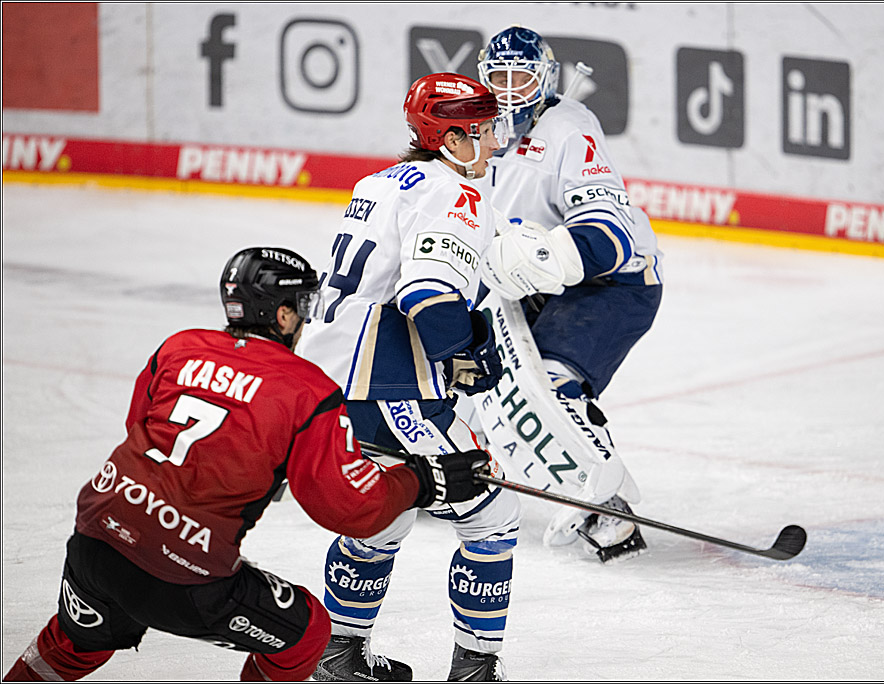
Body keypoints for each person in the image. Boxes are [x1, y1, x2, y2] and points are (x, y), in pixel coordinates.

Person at [2, 247, 492, 683]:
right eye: (301, 308)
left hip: (96, 538)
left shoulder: (177, 347)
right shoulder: (307, 388)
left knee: (74, 645)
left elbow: (141, 429)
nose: (304, 322)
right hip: (184, 574)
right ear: (280, 315)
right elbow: (349, 509)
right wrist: (422, 481)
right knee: (308, 634)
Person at [294, 73, 517, 682]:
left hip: (328, 384)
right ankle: (474, 671)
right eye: (484, 131)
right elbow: (426, 292)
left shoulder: (379, 183)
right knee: (493, 520)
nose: (496, 143)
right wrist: (466, 349)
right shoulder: (456, 193)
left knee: (384, 513)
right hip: (389, 385)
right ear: (450, 140)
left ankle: (337, 655)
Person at [474, 26, 664, 563]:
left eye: (523, 76)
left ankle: (610, 509)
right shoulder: (478, 134)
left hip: (613, 285)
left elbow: (608, 227)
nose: (510, 89)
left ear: (547, 79)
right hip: (537, 290)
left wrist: (549, 258)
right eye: (499, 76)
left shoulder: (570, 127)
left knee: (552, 387)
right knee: (477, 384)